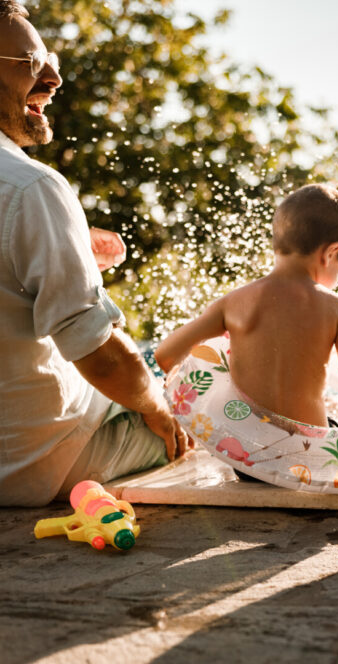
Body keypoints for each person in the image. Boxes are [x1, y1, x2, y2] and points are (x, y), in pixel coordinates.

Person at [0, 1, 190, 506]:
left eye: (51, 60)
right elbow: (99, 354)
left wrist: (69, 244)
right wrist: (157, 408)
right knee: (194, 406)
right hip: (34, 461)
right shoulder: (30, 187)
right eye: (30, 63)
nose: (54, 79)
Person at [155, 184, 338, 431]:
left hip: (248, 457)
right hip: (309, 454)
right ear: (331, 253)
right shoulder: (334, 308)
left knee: (324, 406)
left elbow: (166, 357)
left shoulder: (233, 302)